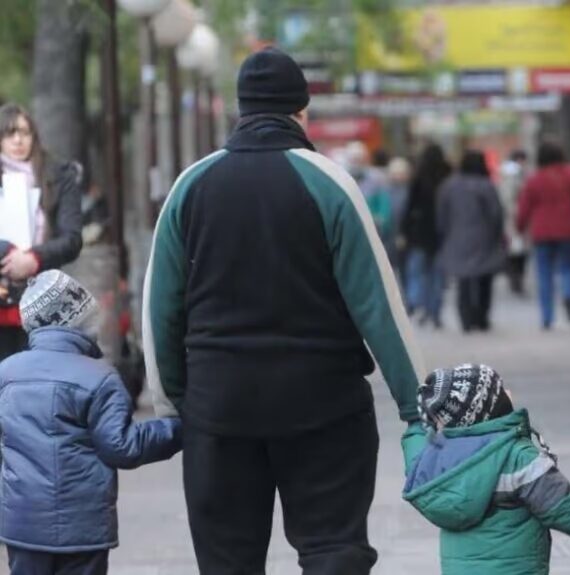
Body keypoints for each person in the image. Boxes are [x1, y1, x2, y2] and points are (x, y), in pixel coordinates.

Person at [143, 47, 425, 575]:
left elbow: (160, 310)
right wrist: (418, 408)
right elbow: (378, 306)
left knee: (227, 561)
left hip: (219, 407)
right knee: (333, 550)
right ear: (302, 112)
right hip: (323, 405)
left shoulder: (190, 187)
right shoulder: (329, 182)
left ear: (241, 110)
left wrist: (177, 406)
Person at [0, 270, 181, 575]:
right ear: (81, 320)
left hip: (23, 525)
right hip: (82, 528)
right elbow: (122, 447)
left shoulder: (6, 374)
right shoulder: (99, 377)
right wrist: (176, 428)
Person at [402, 364, 570, 575]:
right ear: (488, 408)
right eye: (501, 390)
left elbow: (415, 449)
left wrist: (415, 426)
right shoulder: (516, 455)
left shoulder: (436, 456)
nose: (509, 392)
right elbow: (556, 501)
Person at [0, 104, 83, 361]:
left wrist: (33, 258)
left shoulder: (59, 175)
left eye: (24, 132)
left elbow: (72, 239)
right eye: (9, 133)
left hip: (43, 296)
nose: (17, 140)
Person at [516, 141, 570, 331]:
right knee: (569, 267)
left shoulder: (534, 179)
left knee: (544, 274)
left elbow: (523, 208)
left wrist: (519, 227)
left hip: (542, 232)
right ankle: (568, 294)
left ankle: (547, 317)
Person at [437, 150, 506, 332]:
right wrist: (497, 234)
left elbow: (442, 214)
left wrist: (444, 233)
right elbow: (496, 213)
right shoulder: (486, 185)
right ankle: (481, 317)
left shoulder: (449, 186)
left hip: (457, 237)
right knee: (484, 279)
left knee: (463, 281)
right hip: (484, 237)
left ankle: (466, 318)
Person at [401, 143, 451, 328]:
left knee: (418, 272)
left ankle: (418, 304)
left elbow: (409, 207)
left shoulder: (418, 177)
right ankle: (435, 311)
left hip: (419, 232)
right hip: (441, 233)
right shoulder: (448, 176)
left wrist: (404, 231)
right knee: (438, 275)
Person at [498, 149, 529, 295]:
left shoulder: (506, 174)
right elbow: (509, 198)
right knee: (517, 251)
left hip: (513, 218)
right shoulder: (514, 174)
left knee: (515, 250)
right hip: (515, 217)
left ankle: (515, 279)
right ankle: (516, 279)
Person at [386, 156, 412, 274]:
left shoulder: (410, 192)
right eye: (395, 173)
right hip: (387, 236)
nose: (398, 177)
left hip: (404, 236)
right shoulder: (385, 191)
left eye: (401, 173)